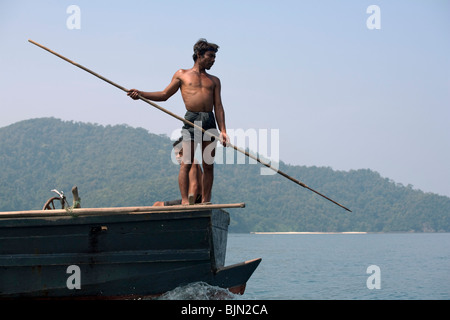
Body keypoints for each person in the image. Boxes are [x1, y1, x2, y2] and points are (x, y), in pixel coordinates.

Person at [127, 38, 228, 205]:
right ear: (199, 55)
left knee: (208, 164)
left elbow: (218, 106)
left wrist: (223, 130)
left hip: (209, 120)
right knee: (186, 162)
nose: (213, 60)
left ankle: (205, 200)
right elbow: (164, 95)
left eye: (214, 57)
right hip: (192, 118)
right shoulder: (182, 74)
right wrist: (141, 94)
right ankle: (184, 200)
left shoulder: (214, 80)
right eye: (210, 56)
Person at [153, 137, 203, 206]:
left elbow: (194, 185)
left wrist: (190, 206)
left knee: (157, 205)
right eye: (176, 153)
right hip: (192, 199)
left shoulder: (192, 162)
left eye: (180, 153)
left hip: (194, 200)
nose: (178, 156)